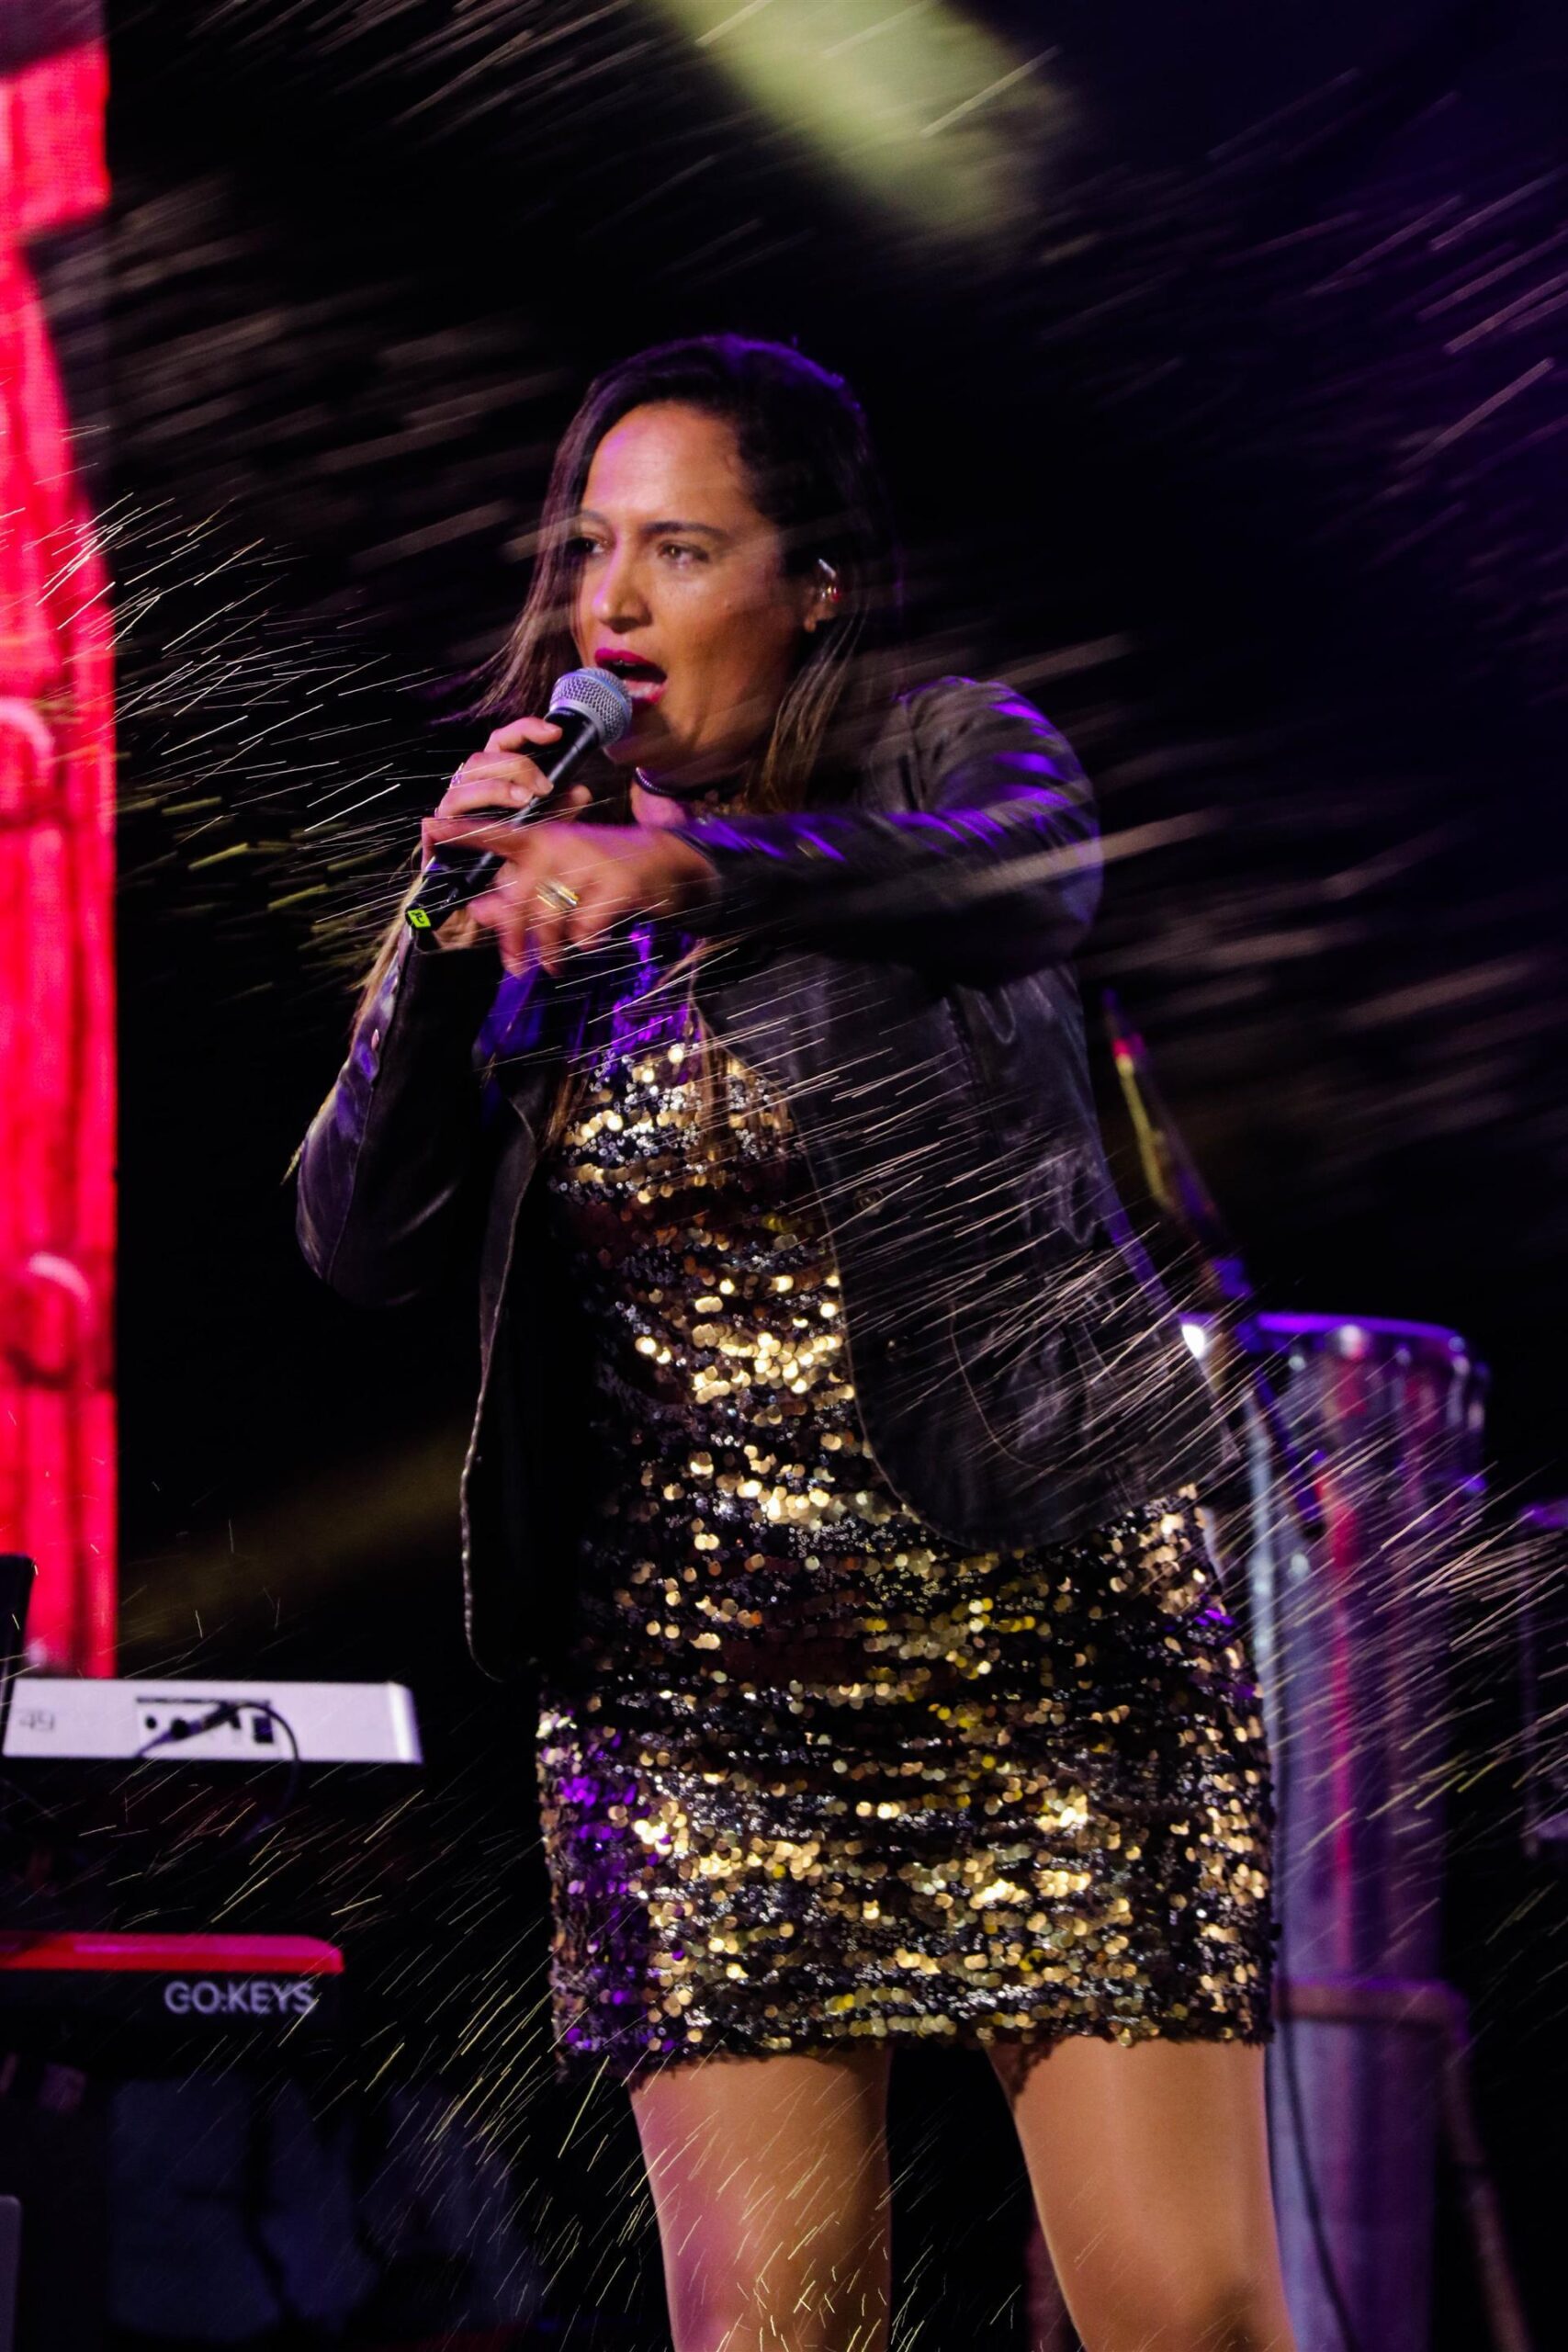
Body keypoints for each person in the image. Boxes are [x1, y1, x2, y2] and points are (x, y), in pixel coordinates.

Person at [295, 334, 1295, 2352]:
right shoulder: (542, 897)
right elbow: (355, 1237)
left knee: (1180, 2305)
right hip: (693, 1690)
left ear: (813, 582)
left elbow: (1031, 880)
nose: (613, 599)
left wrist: (694, 864)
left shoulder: (939, 760)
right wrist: (432, 927)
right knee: (775, 2328)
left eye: (680, 548)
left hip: (1044, 1642)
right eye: (594, 547)